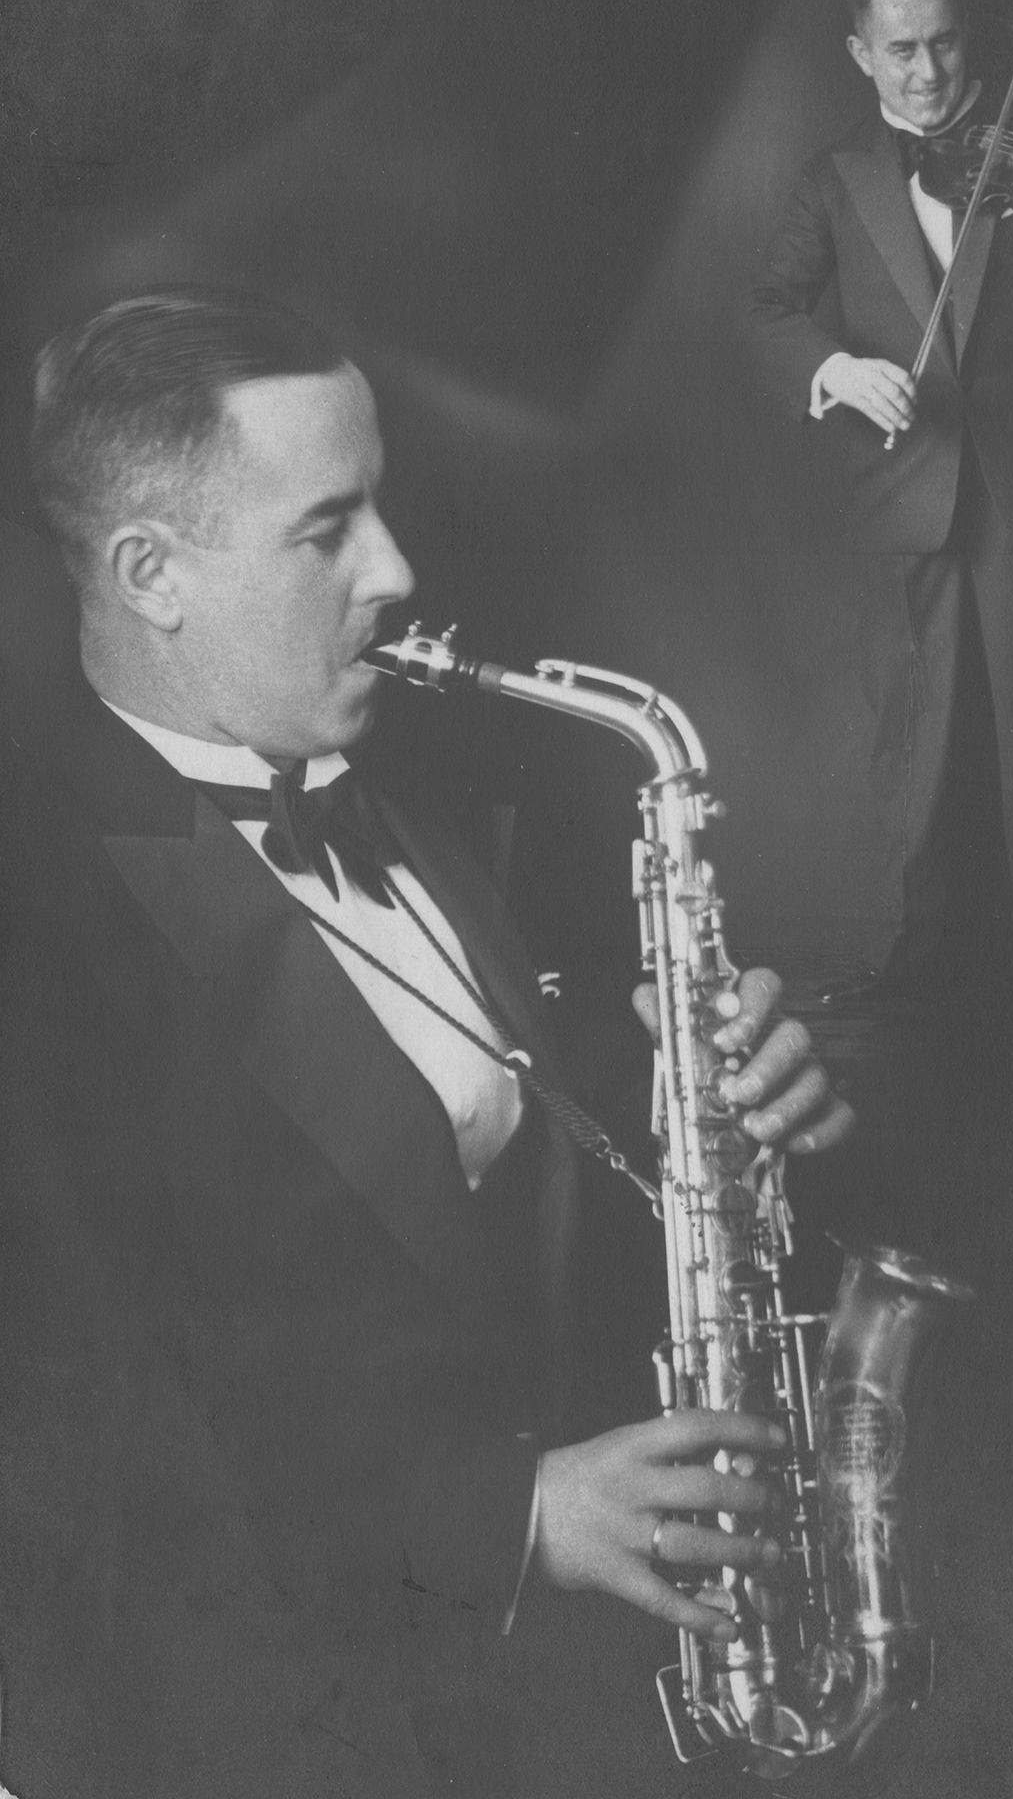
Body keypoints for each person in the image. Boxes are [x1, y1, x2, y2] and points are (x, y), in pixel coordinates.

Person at [0, 289, 852, 1798]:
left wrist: (693, 1099)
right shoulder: (44, 932)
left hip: (556, 1688)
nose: (396, 570)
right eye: (326, 532)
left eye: (380, 505)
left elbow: (455, 1120)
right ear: (152, 575)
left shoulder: (388, 787)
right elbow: (93, 1474)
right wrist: (515, 1520)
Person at [747, 0, 1013, 1010]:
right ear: (857, 53)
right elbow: (772, 314)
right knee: (909, 744)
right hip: (907, 489)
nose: (925, 72)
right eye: (900, 49)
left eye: (944, 43)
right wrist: (838, 370)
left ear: (969, 36)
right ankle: (904, 970)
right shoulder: (830, 178)